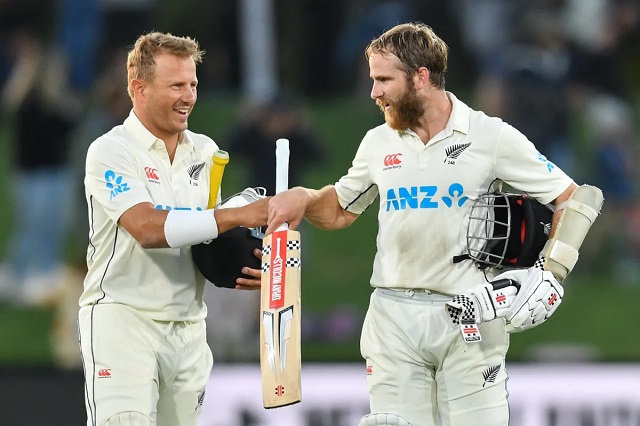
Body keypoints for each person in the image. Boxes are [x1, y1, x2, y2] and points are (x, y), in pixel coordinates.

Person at [265, 23, 582, 426]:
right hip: (393, 317)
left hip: (471, 314)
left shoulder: (490, 136)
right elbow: (341, 210)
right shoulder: (378, 141)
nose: (374, 92)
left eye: (384, 80)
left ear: (421, 76)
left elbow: (576, 199)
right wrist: (306, 198)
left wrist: (551, 272)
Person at [78, 32, 268, 426]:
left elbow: (206, 237)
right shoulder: (111, 151)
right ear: (139, 89)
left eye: (193, 84)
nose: (189, 97)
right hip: (123, 321)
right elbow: (146, 228)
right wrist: (235, 216)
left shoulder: (205, 152)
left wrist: (246, 262)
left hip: (189, 328)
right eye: (176, 86)